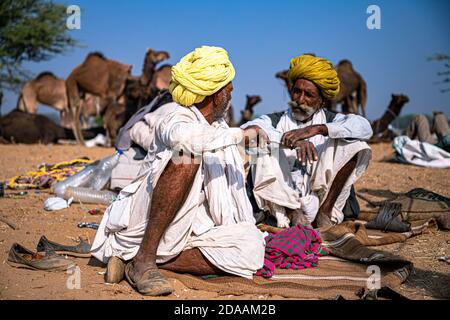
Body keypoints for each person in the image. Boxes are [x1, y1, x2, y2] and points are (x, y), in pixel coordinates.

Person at [91, 46, 266, 296]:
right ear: (216, 95)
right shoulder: (176, 116)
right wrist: (241, 135)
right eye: (229, 90)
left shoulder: (217, 127)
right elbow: (188, 141)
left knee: (251, 247)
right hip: (154, 219)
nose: (230, 96)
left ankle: (140, 261)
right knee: (186, 158)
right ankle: (144, 259)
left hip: (194, 225)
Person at [241, 54, 373, 228]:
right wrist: (289, 140)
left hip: (322, 199)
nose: (300, 100)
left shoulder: (331, 120)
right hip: (281, 205)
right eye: (297, 92)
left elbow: (364, 127)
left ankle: (325, 213)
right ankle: (293, 213)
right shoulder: (275, 120)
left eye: (309, 95)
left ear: (321, 101)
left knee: (356, 145)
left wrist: (316, 129)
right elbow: (247, 131)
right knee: (261, 145)